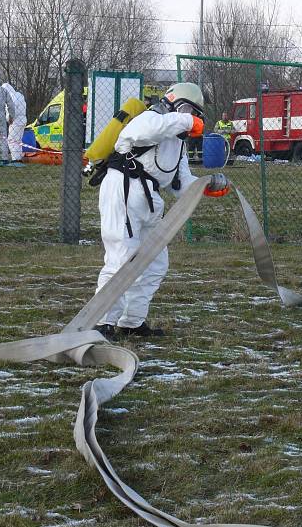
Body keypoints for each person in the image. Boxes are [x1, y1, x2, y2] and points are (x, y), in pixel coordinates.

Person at [93, 82, 229, 341]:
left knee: (156, 262)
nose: (193, 118)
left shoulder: (178, 144)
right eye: (188, 110)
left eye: (196, 114)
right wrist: (185, 121)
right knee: (122, 257)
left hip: (149, 199)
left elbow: (178, 182)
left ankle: (131, 322)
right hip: (122, 190)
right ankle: (102, 322)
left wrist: (205, 186)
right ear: (174, 104)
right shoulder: (150, 118)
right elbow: (146, 132)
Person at [2, 83, 27, 161]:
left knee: (12, 140)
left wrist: (10, 118)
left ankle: (15, 159)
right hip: (23, 119)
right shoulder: (19, 95)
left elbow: (12, 109)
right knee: (18, 141)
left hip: (15, 121)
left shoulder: (11, 97)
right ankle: (19, 157)